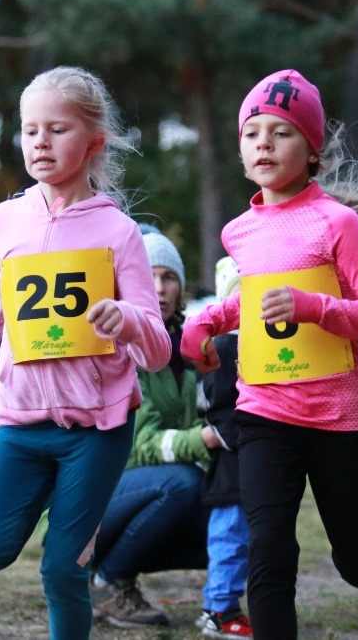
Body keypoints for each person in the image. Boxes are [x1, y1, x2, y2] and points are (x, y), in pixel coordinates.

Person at [181, 69, 358, 638]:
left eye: (280, 132)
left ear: (311, 150)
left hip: (338, 415)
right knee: (270, 552)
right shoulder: (239, 232)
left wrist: (315, 307)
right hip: (262, 411)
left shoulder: (339, 224)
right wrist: (205, 321)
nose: (263, 143)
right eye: (252, 132)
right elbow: (252, 304)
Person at [0, 65, 171, 640]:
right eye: (29, 131)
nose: (40, 143)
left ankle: (76, 523)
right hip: (21, 424)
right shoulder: (5, 220)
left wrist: (126, 320)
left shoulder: (119, 232)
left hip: (97, 429)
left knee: (61, 569)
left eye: (57, 130)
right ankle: (66, 505)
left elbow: (158, 349)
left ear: (93, 142)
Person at [88, 228, 227, 633]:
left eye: (170, 278)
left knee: (238, 515)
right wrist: (206, 440)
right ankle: (104, 581)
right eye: (149, 276)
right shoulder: (116, 347)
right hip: (98, 497)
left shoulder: (189, 346)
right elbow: (141, 447)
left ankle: (221, 599)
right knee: (181, 484)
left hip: (155, 488)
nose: (161, 288)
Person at [195, 255, 252, 638]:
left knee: (247, 538)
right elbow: (219, 404)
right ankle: (219, 608)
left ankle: (228, 603)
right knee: (230, 537)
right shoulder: (225, 348)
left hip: (252, 461)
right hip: (233, 464)